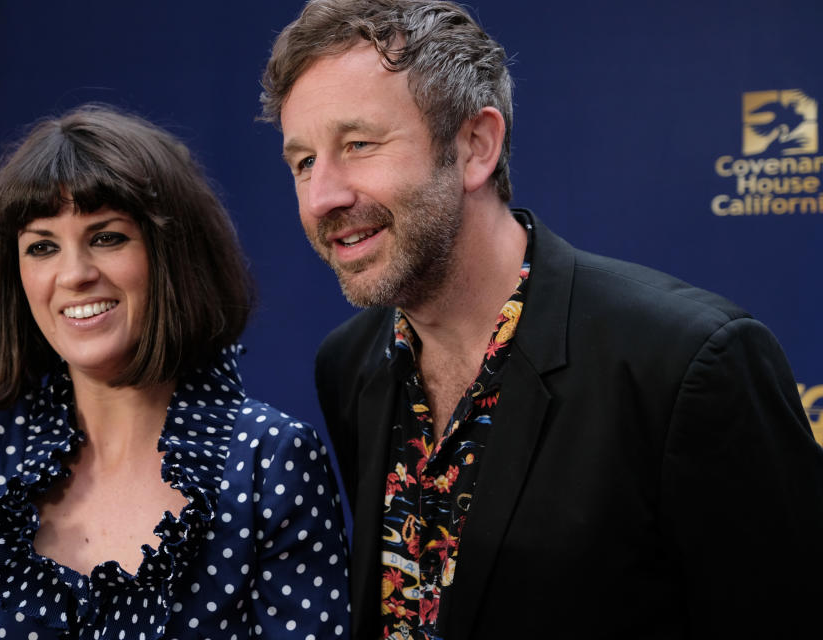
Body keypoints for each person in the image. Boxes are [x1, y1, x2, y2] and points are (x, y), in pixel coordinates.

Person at [260, 1, 823, 638]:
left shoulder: (688, 365)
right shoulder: (348, 365)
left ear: (476, 146)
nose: (322, 196)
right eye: (303, 162)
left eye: (358, 145)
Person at [0, 105, 350, 639]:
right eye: (42, 247)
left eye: (107, 237)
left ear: (170, 256)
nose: (74, 274)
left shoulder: (271, 461)